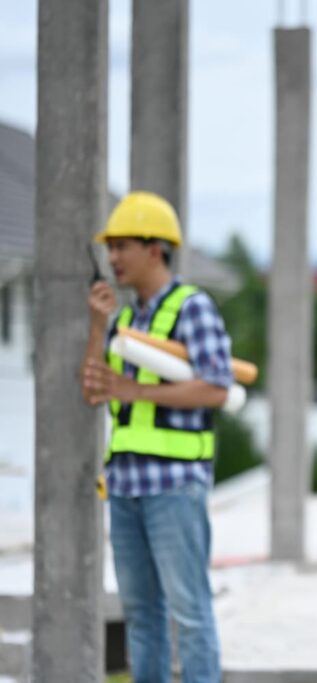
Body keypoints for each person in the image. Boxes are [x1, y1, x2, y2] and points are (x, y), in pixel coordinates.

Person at [80, 191, 231, 683]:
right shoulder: (122, 321)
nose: (113, 258)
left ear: (155, 249)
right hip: (124, 486)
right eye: (111, 248)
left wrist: (135, 389)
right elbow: (93, 389)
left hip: (174, 486)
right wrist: (98, 324)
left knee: (189, 615)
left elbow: (215, 386)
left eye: (122, 246)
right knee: (141, 619)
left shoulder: (194, 309)